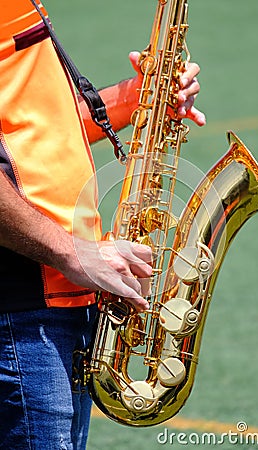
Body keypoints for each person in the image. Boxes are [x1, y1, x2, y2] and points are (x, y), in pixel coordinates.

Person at [0, 1, 206, 449]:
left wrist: (141, 98)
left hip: (60, 299)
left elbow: (36, 124)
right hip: (20, 313)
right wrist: (71, 251)